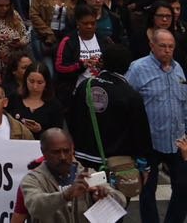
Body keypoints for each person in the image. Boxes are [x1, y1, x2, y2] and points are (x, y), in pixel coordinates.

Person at [125, 28, 187, 221]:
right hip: (149, 141)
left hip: (177, 140)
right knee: (147, 191)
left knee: (183, 187)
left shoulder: (178, 68)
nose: (167, 50)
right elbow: (126, 102)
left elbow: (184, 104)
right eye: (163, 46)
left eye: (171, 46)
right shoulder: (138, 69)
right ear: (152, 45)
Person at [19, 128, 127, 221]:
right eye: (56, 152)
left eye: (66, 151)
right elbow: (35, 207)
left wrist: (106, 196)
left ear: (72, 149)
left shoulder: (87, 174)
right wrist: (65, 195)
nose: (62, 157)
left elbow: (122, 201)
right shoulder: (33, 179)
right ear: (44, 152)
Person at [8, 62, 67, 140]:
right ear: (26, 80)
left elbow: (56, 136)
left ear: (46, 83)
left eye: (40, 83)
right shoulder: (14, 98)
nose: (35, 86)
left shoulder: (55, 105)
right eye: (31, 81)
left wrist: (40, 130)